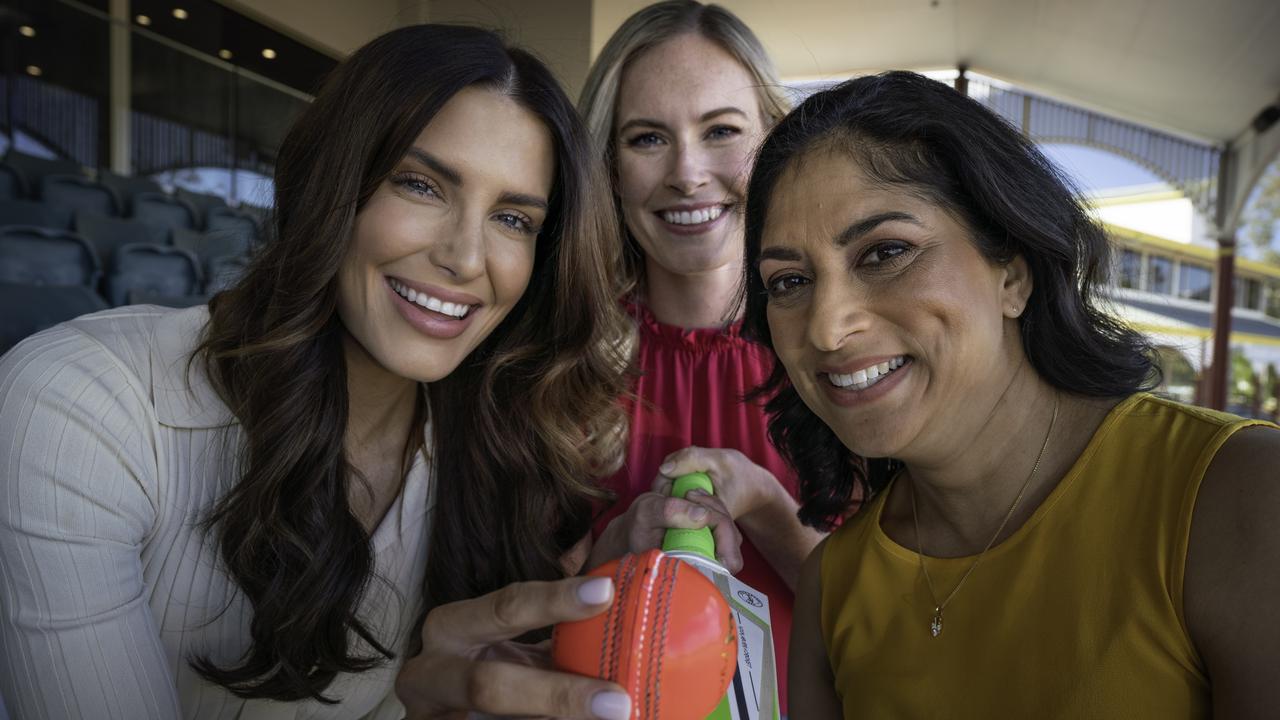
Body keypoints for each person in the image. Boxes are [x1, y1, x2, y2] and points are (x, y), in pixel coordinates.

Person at [0, 25, 643, 720]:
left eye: (514, 219)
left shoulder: (497, 457)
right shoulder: (73, 404)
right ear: (331, 182)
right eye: (421, 184)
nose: (465, 257)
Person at [741, 70, 1280, 717]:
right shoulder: (834, 585)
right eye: (789, 282)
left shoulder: (1238, 493)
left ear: (1013, 271)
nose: (828, 328)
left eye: (885, 252)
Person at [577, 2, 825, 712]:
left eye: (721, 131)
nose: (687, 173)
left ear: (774, 143)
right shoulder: (560, 363)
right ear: (609, 165)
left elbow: (892, 628)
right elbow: (520, 620)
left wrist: (770, 511)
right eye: (648, 138)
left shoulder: (839, 351)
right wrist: (622, 539)